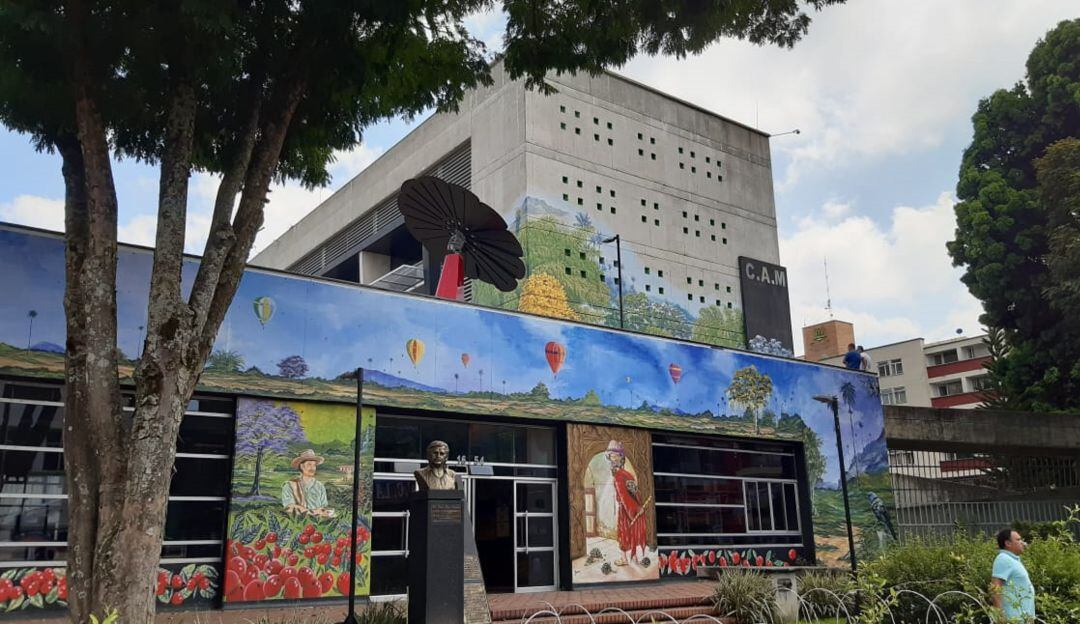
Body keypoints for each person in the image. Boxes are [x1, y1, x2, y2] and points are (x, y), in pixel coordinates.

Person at [606, 440, 649, 566]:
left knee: (624, 533)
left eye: (615, 456)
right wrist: (637, 507)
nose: (612, 459)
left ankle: (625, 559)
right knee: (631, 533)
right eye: (611, 456)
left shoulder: (619, 475)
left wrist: (633, 509)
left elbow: (625, 496)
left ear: (620, 458)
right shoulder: (626, 474)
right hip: (632, 507)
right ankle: (634, 558)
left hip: (627, 509)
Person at [991, 528, 1035, 623]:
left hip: (1023, 619)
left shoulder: (1013, 560)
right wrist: (1000, 617)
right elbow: (995, 588)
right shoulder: (1003, 559)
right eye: (1018, 540)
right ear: (1008, 543)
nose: (1022, 543)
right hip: (1013, 619)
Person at [281, 449, 335, 517]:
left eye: (314, 465)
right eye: (309, 464)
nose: (312, 468)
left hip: (317, 522)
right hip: (297, 522)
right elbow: (289, 507)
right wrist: (311, 512)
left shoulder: (320, 486)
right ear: (302, 466)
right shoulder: (289, 485)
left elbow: (323, 507)